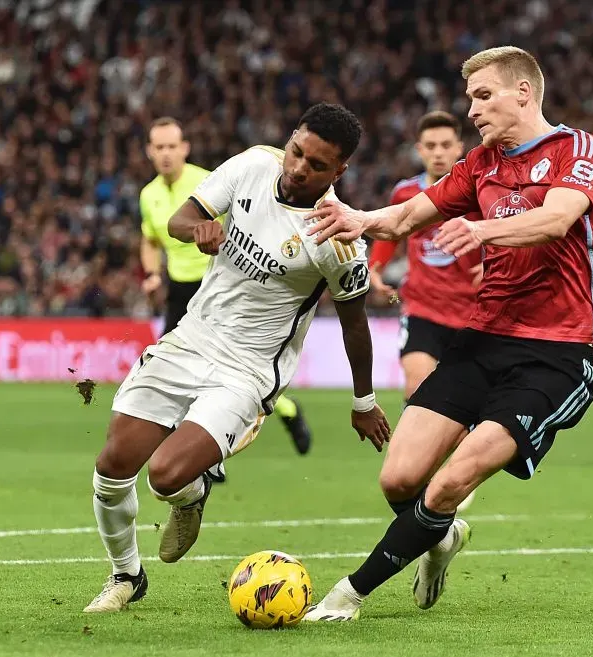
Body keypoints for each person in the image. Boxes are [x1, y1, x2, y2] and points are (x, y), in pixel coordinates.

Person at [302, 46, 593, 622]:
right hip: (483, 339)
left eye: (483, 95)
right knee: (399, 477)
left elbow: (557, 219)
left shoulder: (579, 149)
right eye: (470, 98)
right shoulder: (479, 165)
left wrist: (481, 230)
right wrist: (359, 220)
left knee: (451, 481)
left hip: (557, 352)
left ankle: (347, 595)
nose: (472, 109)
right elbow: (404, 218)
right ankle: (440, 540)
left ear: (523, 92)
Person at [84, 103, 391, 614]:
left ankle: (192, 491)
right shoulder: (252, 165)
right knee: (112, 468)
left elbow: (355, 324)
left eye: (316, 165)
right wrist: (197, 231)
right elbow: (183, 219)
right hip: (191, 337)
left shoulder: (335, 238)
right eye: (296, 151)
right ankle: (126, 576)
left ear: (340, 172)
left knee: (165, 476)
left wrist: (364, 401)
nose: (297, 168)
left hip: (246, 370)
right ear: (289, 138)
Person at [139, 117, 313, 471]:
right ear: (149, 152)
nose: (166, 154)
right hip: (178, 288)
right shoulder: (149, 195)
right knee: (178, 368)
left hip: (217, 286)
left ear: (184, 148)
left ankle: (272, 418)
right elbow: (151, 238)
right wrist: (152, 274)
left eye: (172, 146)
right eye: (159, 147)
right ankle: (203, 459)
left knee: (231, 370)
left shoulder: (205, 178)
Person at [369, 111, 482, 401]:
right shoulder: (404, 193)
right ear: (419, 150)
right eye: (430, 146)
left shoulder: (478, 193)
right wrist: (375, 269)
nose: (438, 153)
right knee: (418, 389)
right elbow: (391, 234)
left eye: (446, 145)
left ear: (459, 148)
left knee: (468, 404)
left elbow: (506, 228)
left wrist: (494, 265)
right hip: (421, 310)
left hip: (473, 313)